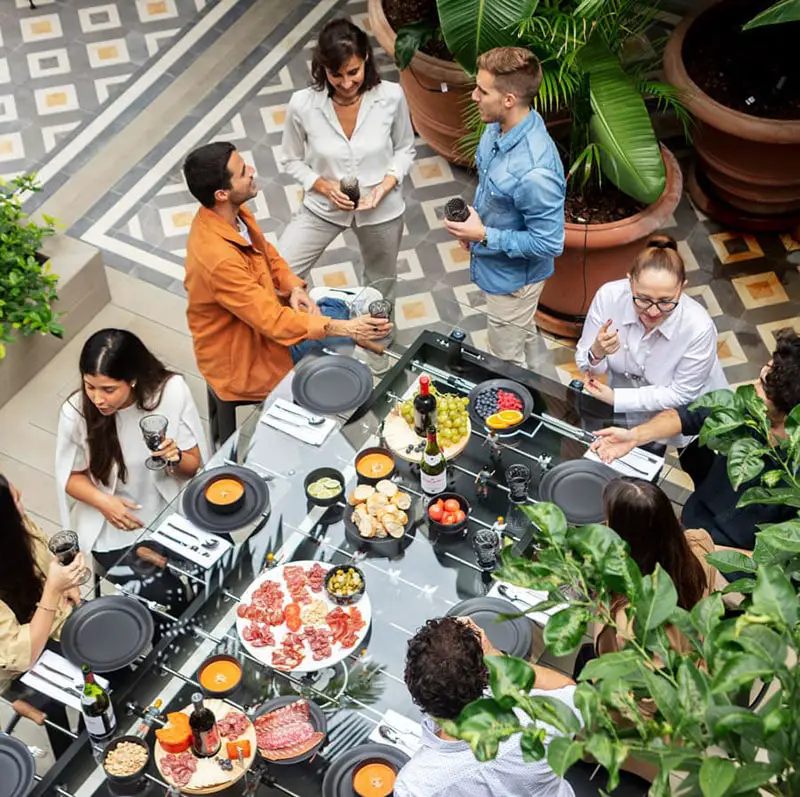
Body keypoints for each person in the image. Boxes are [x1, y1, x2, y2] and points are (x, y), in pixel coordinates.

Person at [182, 142, 392, 404]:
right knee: (345, 334)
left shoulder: (231, 215)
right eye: (243, 171)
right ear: (222, 194)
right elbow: (273, 322)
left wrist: (293, 286)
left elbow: (267, 253)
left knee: (341, 315)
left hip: (266, 327)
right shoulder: (218, 260)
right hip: (249, 360)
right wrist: (347, 329)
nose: (252, 170)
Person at [590, 329, 800, 550]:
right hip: (692, 525)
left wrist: (705, 552)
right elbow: (688, 416)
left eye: (764, 388)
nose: (753, 387)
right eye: (760, 377)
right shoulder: (746, 409)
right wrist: (634, 436)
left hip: (734, 563)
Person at [55, 329, 207, 610]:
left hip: (172, 508)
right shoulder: (76, 413)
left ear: (134, 379)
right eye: (90, 387)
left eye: (108, 389)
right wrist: (105, 502)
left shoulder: (170, 392)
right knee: (168, 598)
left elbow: (193, 466)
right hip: (114, 530)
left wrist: (174, 458)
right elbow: (70, 476)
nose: (98, 399)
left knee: (216, 564)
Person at [444, 46, 565, 368]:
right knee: (523, 335)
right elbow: (496, 192)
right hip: (494, 267)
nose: (473, 97)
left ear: (509, 100)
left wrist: (484, 234)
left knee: (505, 361)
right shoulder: (497, 126)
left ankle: (516, 412)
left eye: (482, 91)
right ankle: (544, 391)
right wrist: (476, 225)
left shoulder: (536, 173)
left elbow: (549, 243)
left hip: (513, 285)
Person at [278, 18, 415, 301]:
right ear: (323, 68)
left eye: (353, 72)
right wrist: (325, 187)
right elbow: (290, 159)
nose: (346, 83)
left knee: (381, 286)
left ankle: (380, 340)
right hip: (322, 206)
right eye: (336, 74)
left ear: (366, 58)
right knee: (279, 275)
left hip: (381, 209)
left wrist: (385, 186)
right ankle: (287, 337)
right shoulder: (302, 104)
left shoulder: (391, 96)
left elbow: (404, 148)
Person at [394, 616, 580, 797]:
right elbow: (571, 691)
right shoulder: (540, 720)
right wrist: (495, 657)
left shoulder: (414, 787)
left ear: (413, 687)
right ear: (484, 675)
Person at [575, 235, 727, 439]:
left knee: (695, 460)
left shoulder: (699, 328)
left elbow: (682, 394)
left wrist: (618, 398)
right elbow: (589, 367)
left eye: (666, 301)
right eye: (644, 299)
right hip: (627, 412)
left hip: (684, 414)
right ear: (630, 282)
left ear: (682, 288)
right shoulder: (609, 297)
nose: (653, 312)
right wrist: (596, 353)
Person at [0, 475, 85, 756]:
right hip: (14, 664)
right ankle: (70, 754)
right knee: (51, 701)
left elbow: (44, 552)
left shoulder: (14, 528)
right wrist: (52, 590)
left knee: (101, 658)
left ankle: (90, 730)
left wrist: (66, 579)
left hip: (49, 620)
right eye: (15, 500)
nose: (21, 494)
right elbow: (22, 654)